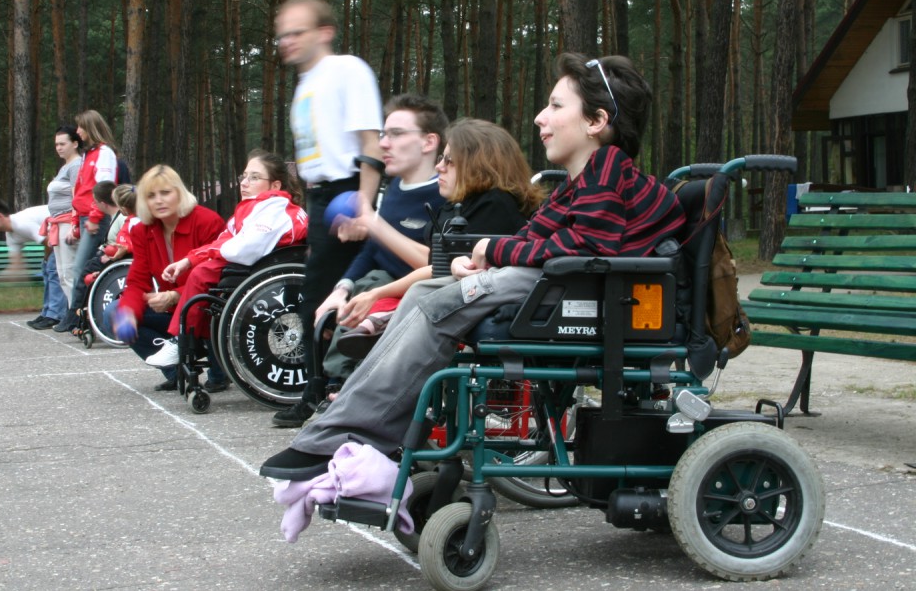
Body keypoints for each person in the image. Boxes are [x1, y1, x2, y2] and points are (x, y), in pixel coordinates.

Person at [260, 52, 687, 481]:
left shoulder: (608, 169)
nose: (540, 117)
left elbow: (590, 246)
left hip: (584, 291)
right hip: (562, 284)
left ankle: (345, 435)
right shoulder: (582, 182)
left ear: (596, 121)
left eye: (556, 106)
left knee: (438, 303)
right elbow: (532, 238)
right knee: (423, 291)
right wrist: (478, 256)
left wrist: (494, 250)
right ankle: (349, 425)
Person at [334, 118, 543, 360]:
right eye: (442, 158)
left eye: (449, 161)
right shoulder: (457, 204)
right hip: (450, 296)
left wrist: (378, 293)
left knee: (382, 299)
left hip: (479, 301)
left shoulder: (495, 205)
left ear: (479, 164)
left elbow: (442, 271)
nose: (439, 167)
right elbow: (436, 265)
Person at [271, 0, 385, 427]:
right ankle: (323, 389)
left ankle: (322, 393)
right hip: (320, 197)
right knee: (316, 295)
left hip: (347, 193)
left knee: (328, 298)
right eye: (282, 35)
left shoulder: (347, 70)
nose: (287, 41)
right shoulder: (306, 83)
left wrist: (364, 206)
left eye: (296, 32)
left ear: (325, 32)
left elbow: (370, 142)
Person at [303, 94, 447, 400]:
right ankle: (333, 390)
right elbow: (373, 251)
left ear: (428, 142)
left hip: (416, 304)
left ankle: (348, 394)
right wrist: (341, 289)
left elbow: (439, 265)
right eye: (383, 134)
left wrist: (372, 222)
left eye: (396, 134)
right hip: (378, 296)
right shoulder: (394, 189)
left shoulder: (445, 193)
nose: (383, 144)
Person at [143, 150, 309, 371]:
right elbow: (223, 241)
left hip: (266, 269)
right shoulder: (253, 208)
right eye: (244, 176)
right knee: (201, 271)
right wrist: (189, 260)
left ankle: (183, 340)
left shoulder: (275, 210)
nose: (245, 183)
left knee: (202, 275)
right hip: (258, 266)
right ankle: (193, 340)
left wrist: (209, 256)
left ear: (275, 185)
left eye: (254, 177)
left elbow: (244, 249)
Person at [104, 165, 226, 392]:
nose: (158, 200)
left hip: (208, 309)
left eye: (165, 193)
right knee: (114, 312)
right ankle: (175, 371)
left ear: (179, 193)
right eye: (151, 195)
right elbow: (137, 281)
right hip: (172, 312)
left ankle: (219, 371)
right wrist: (128, 313)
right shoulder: (141, 231)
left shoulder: (207, 221)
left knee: (211, 309)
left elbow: (219, 279)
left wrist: (175, 295)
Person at [55, 109, 119, 333]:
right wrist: (77, 220)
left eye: (81, 127)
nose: (78, 131)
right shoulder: (88, 155)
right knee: (83, 268)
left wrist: (94, 217)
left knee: (82, 268)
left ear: (91, 128)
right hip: (84, 218)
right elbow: (81, 190)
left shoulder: (104, 153)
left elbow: (103, 188)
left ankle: (75, 314)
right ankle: (82, 315)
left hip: (94, 219)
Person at [0, 199, 64, 328]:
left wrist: (47, 259)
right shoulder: (10, 235)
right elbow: (16, 265)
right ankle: (47, 312)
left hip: (63, 226)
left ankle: (55, 316)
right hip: (53, 236)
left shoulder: (20, 224)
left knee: (52, 270)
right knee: (46, 270)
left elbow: (48, 241)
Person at [32, 125, 83, 330]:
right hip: (57, 224)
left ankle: (77, 317)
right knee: (62, 274)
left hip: (68, 224)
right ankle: (72, 315)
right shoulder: (65, 167)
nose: (59, 148)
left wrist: (74, 224)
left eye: (63, 143)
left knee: (69, 272)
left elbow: (78, 197)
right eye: (56, 144)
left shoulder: (76, 165)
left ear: (75, 143)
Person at [67, 182, 138, 321]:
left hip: (121, 261)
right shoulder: (121, 218)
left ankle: (75, 317)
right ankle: (76, 315)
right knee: (89, 267)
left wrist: (111, 256)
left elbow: (128, 246)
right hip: (117, 258)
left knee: (88, 270)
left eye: (95, 202)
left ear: (103, 204)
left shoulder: (126, 220)